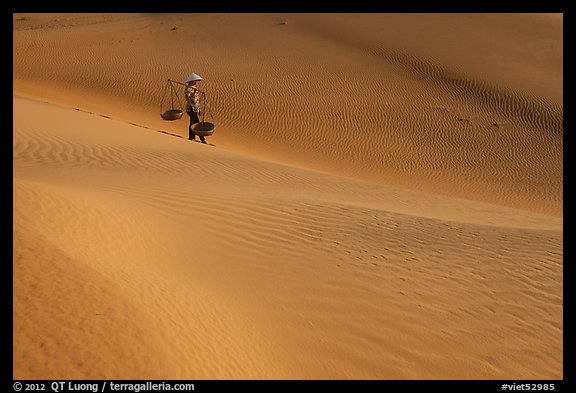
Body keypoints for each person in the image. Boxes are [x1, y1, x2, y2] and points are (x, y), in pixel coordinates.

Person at [184, 72, 206, 143]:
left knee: (196, 123)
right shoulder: (188, 88)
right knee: (193, 123)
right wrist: (193, 94)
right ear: (192, 81)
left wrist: (199, 109)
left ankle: (201, 138)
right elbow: (187, 98)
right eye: (195, 80)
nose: (196, 82)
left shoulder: (194, 88)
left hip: (195, 107)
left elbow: (197, 100)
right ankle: (192, 137)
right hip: (191, 107)